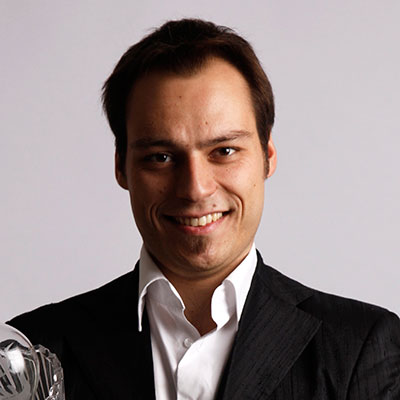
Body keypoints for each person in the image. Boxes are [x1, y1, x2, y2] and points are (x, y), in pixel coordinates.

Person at [8, 18, 400, 399]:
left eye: (224, 151)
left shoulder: (361, 348)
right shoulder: (30, 353)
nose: (195, 188)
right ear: (121, 168)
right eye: (160, 157)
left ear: (267, 157)